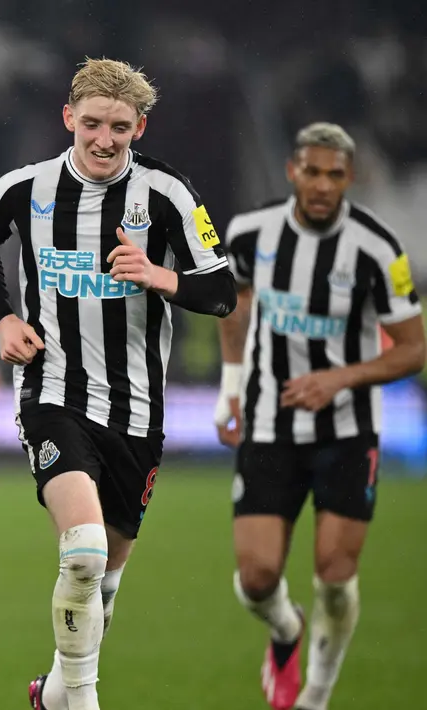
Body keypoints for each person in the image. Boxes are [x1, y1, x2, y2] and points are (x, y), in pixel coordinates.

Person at [0, 58, 237, 710]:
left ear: (138, 126)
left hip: (137, 411)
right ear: (68, 118)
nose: (103, 139)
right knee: (80, 552)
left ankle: (53, 692)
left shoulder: (166, 194)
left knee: (101, 585)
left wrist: (161, 277)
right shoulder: (22, 188)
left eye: (118, 127)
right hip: (50, 392)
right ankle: (81, 701)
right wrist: (0, 318)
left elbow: (222, 292)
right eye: (91, 124)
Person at [214, 123, 424, 710]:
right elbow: (234, 311)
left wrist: (340, 377)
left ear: (349, 179)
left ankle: (315, 697)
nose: (323, 185)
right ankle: (285, 629)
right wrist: (230, 389)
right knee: (256, 580)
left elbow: (414, 346)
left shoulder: (377, 248)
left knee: (335, 571)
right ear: (292, 172)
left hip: (347, 430)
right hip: (267, 422)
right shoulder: (250, 232)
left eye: (335, 174)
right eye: (313, 171)